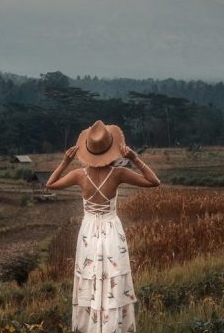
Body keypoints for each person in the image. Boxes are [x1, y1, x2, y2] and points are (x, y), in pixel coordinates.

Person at [46, 120, 160, 333]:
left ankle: (91, 327)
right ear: (111, 148)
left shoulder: (79, 175)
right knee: (113, 280)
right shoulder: (118, 174)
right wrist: (134, 158)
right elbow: (154, 182)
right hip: (111, 232)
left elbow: (50, 184)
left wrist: (64, 162)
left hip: (88, 233)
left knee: (90, 276)